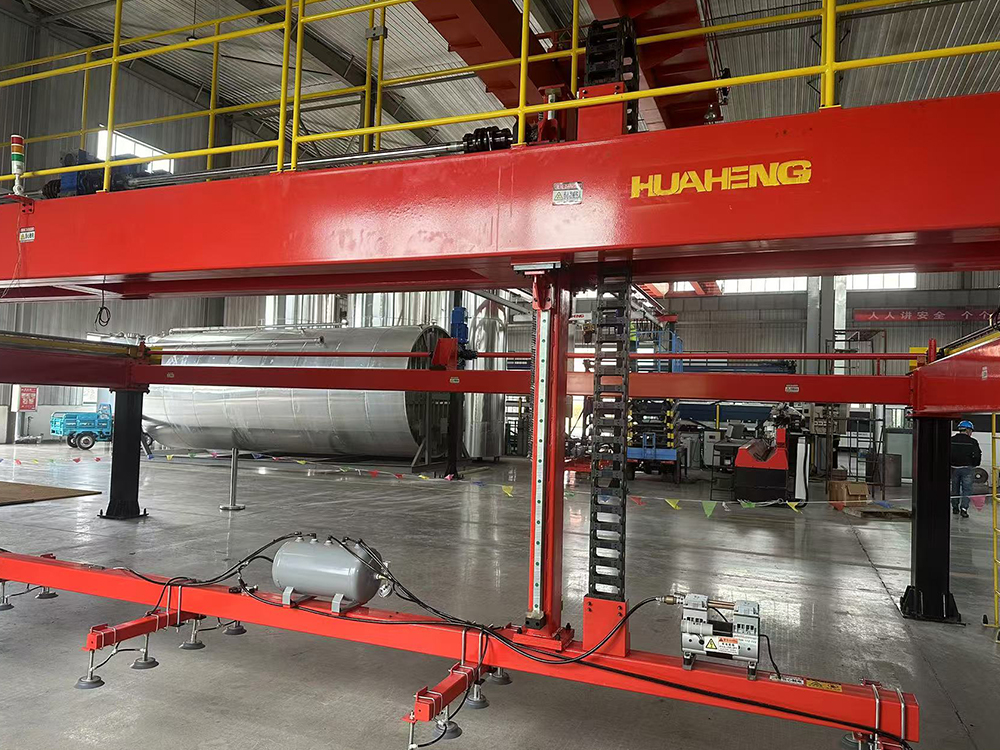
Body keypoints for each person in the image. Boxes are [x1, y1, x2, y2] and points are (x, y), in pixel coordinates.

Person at [950, 420, 981, 518]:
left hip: (953, 468)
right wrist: (974, 464)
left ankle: (955, 507)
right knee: (967, 489)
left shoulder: (951, 440)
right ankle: (964, 509)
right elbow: (977, 455)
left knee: (955, 488)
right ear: (968, 430)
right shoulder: (973, 442)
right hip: (967, 468)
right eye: (971, 431)